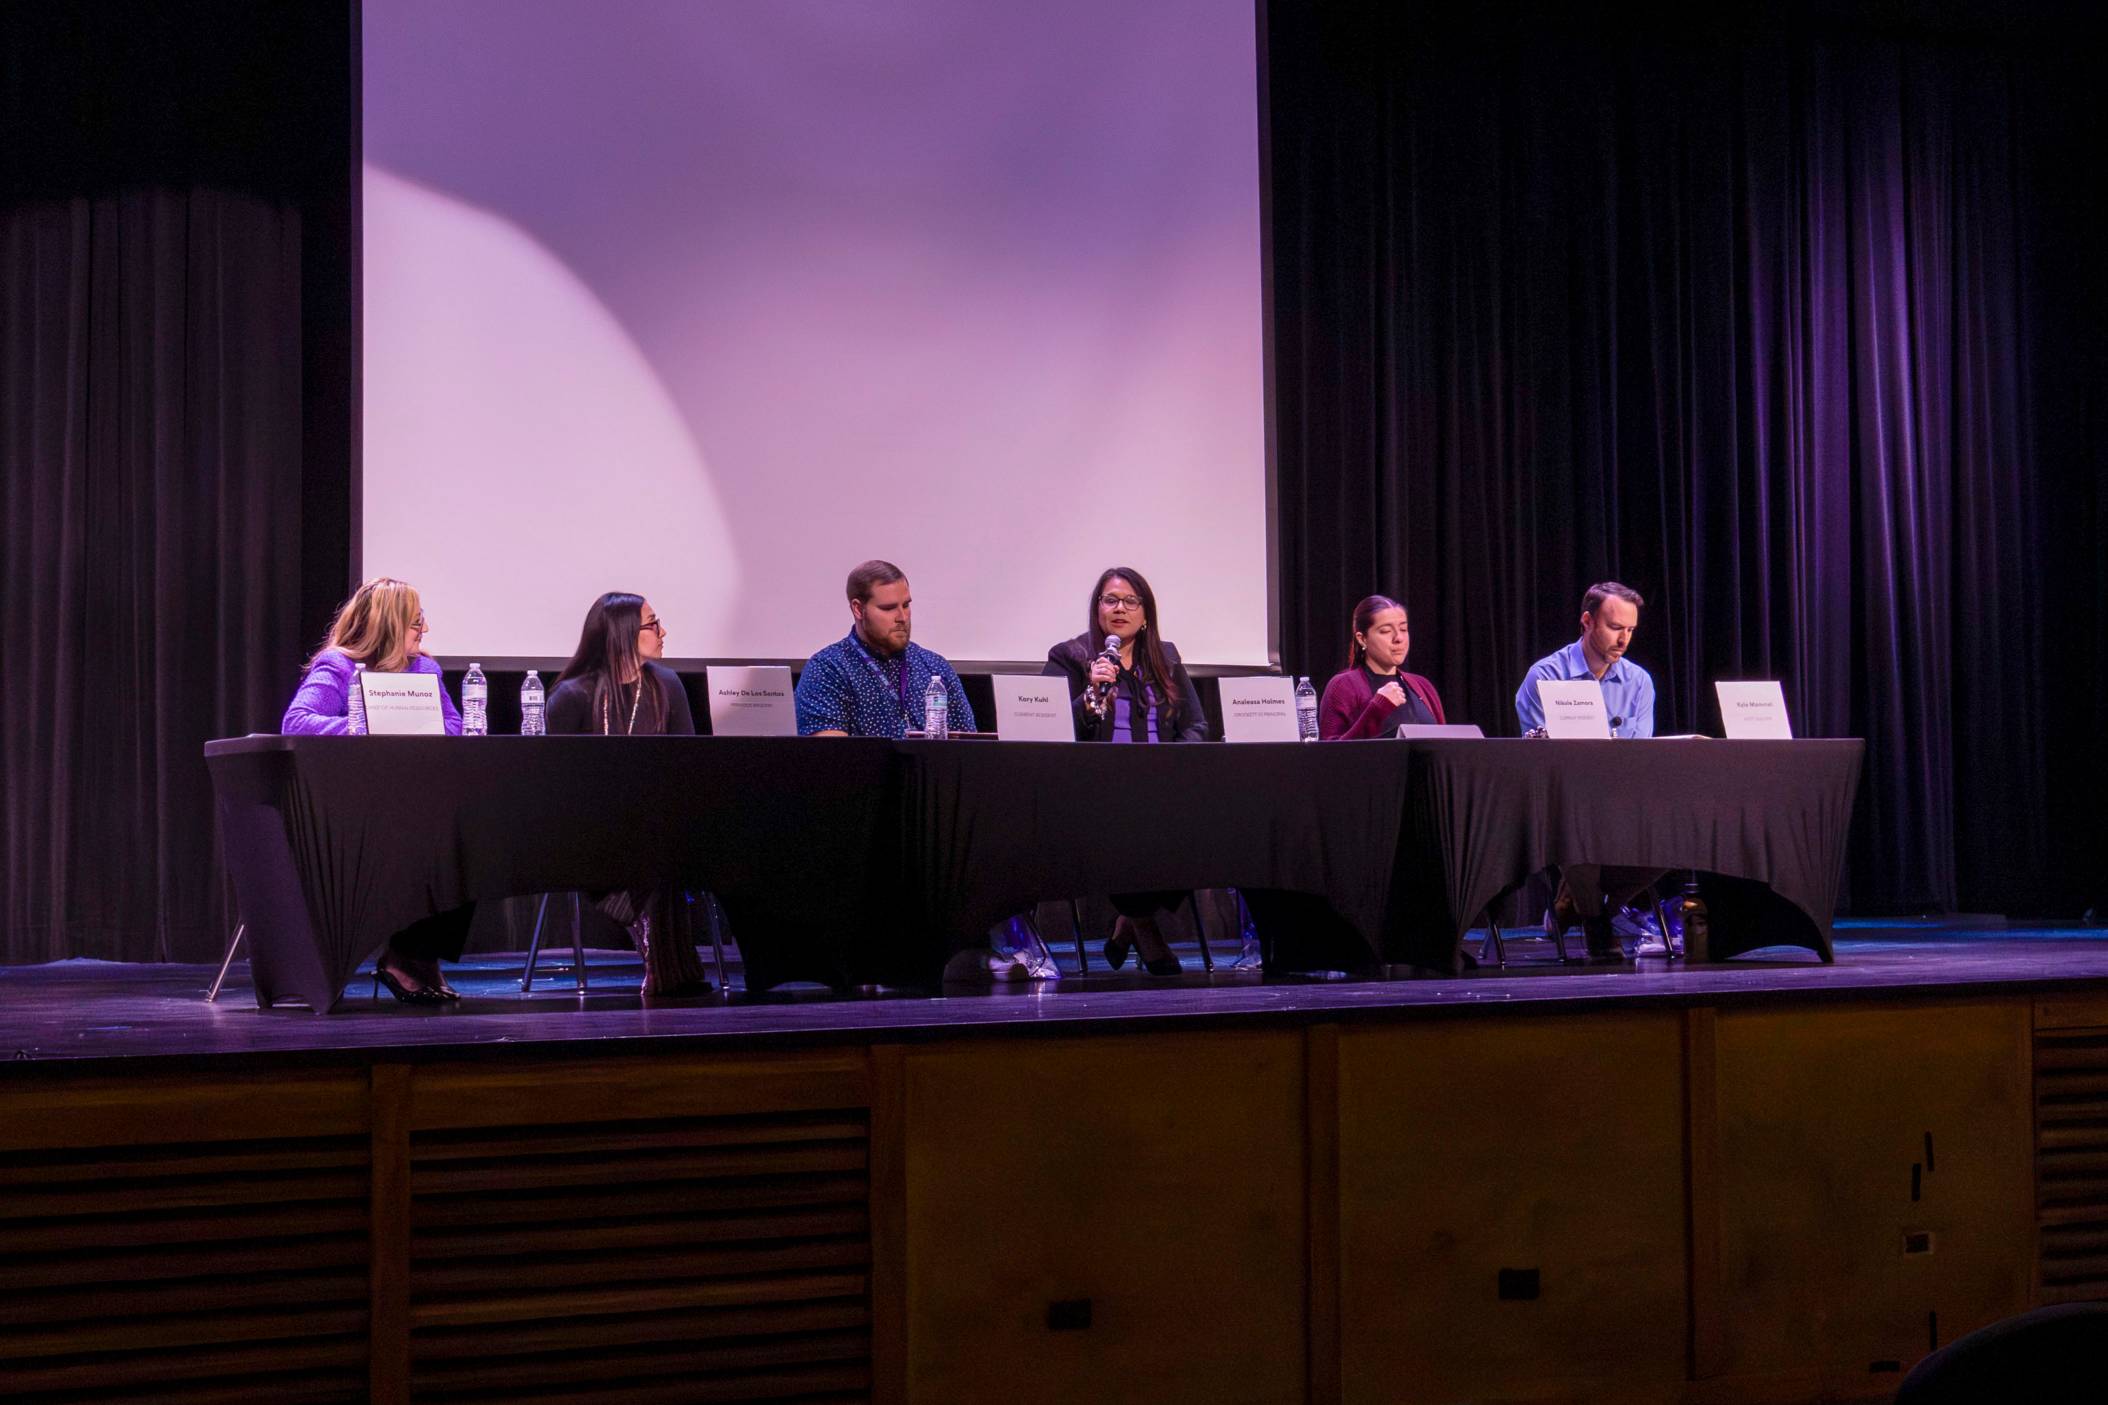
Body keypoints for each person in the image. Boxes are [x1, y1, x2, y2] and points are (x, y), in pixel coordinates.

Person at [281, 576, 468, 1003]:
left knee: (464, 838)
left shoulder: (425, 668)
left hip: (411, 804)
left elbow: (453, 726)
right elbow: (297, 723)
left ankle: (413, 956)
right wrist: (366, 727)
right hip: (349, 810)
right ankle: (404, 961)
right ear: (389, 624)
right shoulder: (339, 666)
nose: (424, 632)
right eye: (416, 623)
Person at [1043, 567, 1210, 975]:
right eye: (1110, 600)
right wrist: (1088, 696)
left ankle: (1128, 923)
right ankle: (1145, 930)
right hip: (1096, 791)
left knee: (1205, 830)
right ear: (1097, 609)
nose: (1120, 608)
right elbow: (1043, 726)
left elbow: (1197, 725)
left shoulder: (1166, 658)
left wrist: (1173, 762)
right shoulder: (1071, 657)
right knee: (1126, 828)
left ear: (1145, 613)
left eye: (1130, 601)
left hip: (1161, 788)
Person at [547, 593, 711, 996]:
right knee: (657, 856)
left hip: (657, 826)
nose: (663, 632)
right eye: (653, 624)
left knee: (668, 848)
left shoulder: (666, 685)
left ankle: (664, 965)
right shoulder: (572, 696)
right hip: (591, 832)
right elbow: (556, 786)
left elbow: (685, 764)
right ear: (622, 633)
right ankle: (670, 969)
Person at [1513, 581, 1665, 961]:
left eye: (1630, 630)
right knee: (1576, 826)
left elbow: (1638, 755)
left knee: (1680, 836)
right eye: (1615, 627)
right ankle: (1597, 923)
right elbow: (1538, 756)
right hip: (1563, 799)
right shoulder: (1545, 676)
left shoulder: (1639, 682)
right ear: (1587, 621)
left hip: (1621, 798)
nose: (1624, 639)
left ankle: (1580, 904)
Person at [795, 560, 976, 738]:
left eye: (906, 605)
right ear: (858, 609)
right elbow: (831, 756)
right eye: (888, 608)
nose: (902, 617)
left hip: (930, 767)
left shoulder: (934, 667)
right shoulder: (827, 669)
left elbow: (970, 749)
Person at [1318, 594, 1447, 739]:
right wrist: (1378, 709)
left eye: (1403, 629)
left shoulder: (1423, 686)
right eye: (1386, 631)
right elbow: (1330, 753)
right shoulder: (1343, 686)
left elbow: (1442, 746)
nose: (1399, 638)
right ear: (1362, 639)